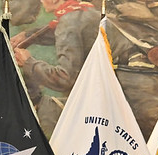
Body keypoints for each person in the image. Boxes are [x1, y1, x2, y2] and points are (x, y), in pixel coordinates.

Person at [11, 0, 100, 136]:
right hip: (106, 95)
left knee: (43, 113)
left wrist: (28, 62)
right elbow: (70, 32)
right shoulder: (87, 11)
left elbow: (65, 78)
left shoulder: (68, 21)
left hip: (91, 104)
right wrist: (28, 36)